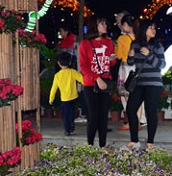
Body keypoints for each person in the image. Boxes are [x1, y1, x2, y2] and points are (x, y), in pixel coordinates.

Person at [124, 20, 165, 150]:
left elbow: (162, 65)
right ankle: (134, 139)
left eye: (154, 28)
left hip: (154, 83)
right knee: (130, 109)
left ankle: (150, 142)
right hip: (139, 82)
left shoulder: (157, 45)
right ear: (143, 29)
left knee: (150, 111)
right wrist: (130, 56)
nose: (153, 30)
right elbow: (131, 63)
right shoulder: (135, 44)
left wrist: (150, 54)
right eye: (150, 28)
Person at [78, 16, 117, 147]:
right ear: (94, 26)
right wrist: (97, 78)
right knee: (93, 115)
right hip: (91, 83)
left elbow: (111, 63)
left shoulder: (109, 42)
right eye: (102, 23)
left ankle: (102, 145)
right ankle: (89, 144)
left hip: (105, 81)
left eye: (105, 23)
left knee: (103, 115)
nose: (105, 26)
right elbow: (83, 66)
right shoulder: (85, 44)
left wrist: (112, 58)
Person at [115, 12, 146, 130]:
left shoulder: (122, 38)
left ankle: (131, 123)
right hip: (138, 69)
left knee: (128, 96)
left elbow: (118, 55)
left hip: (126, 69)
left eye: (122, 24)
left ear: (127, 26)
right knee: (137, 96)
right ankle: (138, 122)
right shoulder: (140, 38)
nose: (121, 27)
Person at [49, 52, 84, 136]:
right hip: (74, 97)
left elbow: (53, 88)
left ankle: (67, 130)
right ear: (69, 62)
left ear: (58, 63)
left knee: (65, 115)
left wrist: (51, 98)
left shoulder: (57, 75)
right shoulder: (73, 72)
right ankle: (71, 122)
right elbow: (82, 80)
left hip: (64, 99)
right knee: (72, 112)